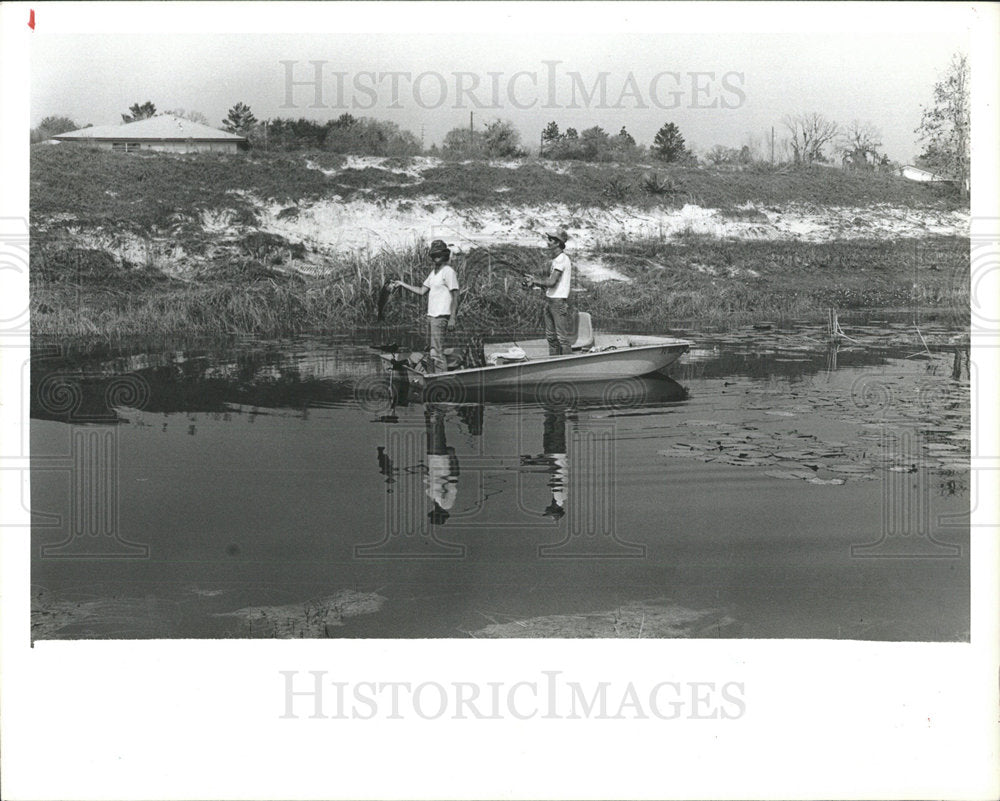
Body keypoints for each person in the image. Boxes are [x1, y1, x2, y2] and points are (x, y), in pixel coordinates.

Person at [392, 240, 459, 373]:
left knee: (437, 352)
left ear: (444, 255)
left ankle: (442, 380)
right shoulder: (433, 273)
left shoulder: (448, 271)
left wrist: (452, 318)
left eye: (439, 254)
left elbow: (456, 295)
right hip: (431, 317)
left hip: (441, 317)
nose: (436, 257)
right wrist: (402, 284)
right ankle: (433, 376)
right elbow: (422, 291)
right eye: (434, 255)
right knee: (431, 350)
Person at [524, 229, 573, 355]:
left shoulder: (562, 259)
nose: (548, 242)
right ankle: (554, 363)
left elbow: (551, 282)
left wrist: (535, 280)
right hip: (550, 300)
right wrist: (534, 283)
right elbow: (551, 286)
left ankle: (567, 366)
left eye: (550, 240)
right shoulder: (556, 260)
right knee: (551, 337)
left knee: (562, 338)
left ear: (557, 243)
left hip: (558, 302)